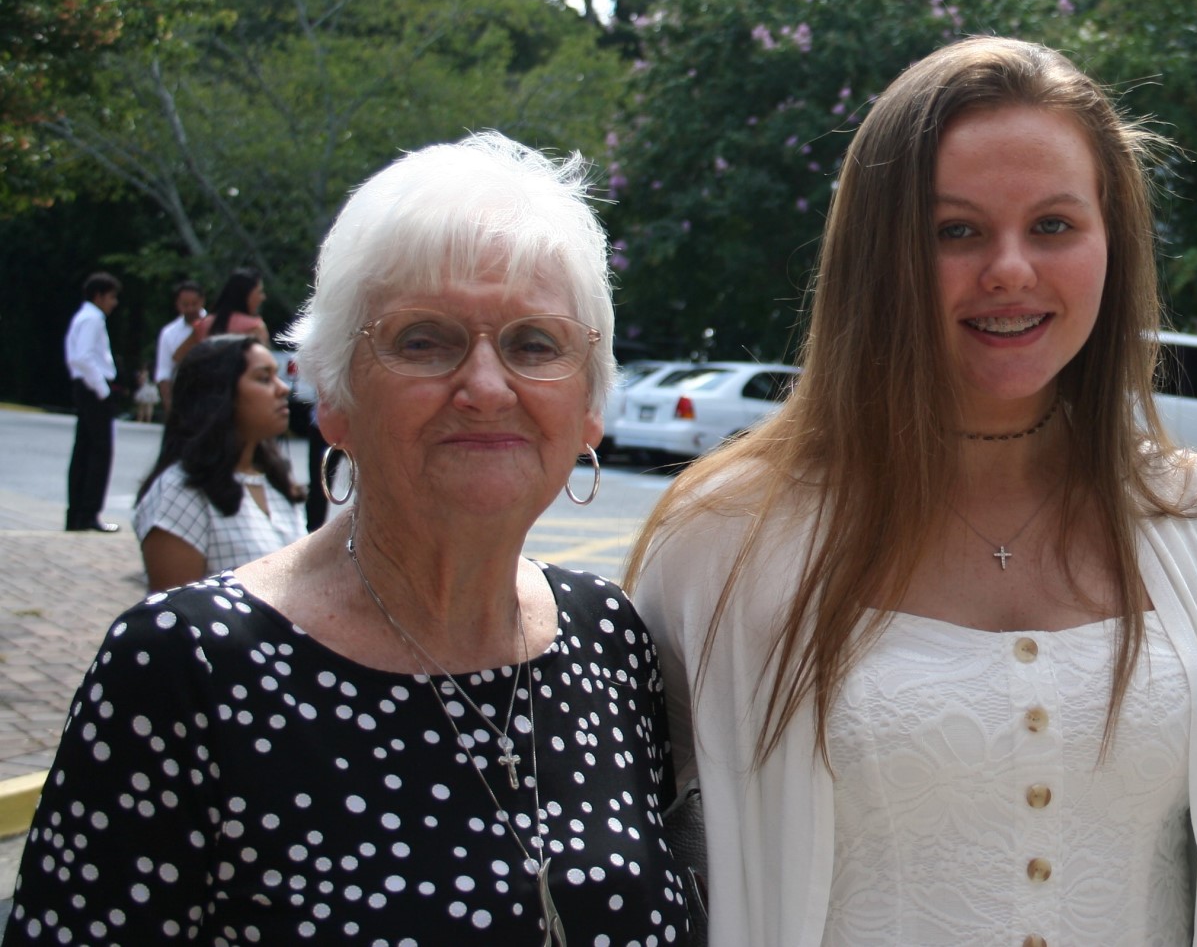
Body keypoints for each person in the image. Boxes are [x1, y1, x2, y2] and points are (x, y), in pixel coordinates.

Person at [628, 37, 1197, 947]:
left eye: (1054, 225)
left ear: (1112, 243)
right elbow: (631, 848)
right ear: (876, 254)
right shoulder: (726, 535)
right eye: (955, 231)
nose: (1011, 269)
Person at [9, 132, 691, 943]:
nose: (485, 385)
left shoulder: (610, 639)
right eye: (424, 339)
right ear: (334, 398)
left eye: (534, 343)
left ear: (588, 410)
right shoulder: (183, 668)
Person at [133, 334, 305, 590]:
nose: (283, 389)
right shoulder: (179, 493)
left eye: (277, 376)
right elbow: (176, 610)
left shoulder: (274, 480)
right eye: (263, 378)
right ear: (220, 394)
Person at [62, 270, 122, 532]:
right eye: (111, 297)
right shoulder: (93, 318)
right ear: (99, 296)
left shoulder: (83, 316)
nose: (114, 303)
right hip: (93, 389)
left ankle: (76, 514)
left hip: (84, 386)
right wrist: (103, 390)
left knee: (84, 450)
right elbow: (83, 357)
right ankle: (89, 513)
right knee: (100, 451)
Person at [172, 265, 271, 365]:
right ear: (247, 295)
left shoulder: (204, 325)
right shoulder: (254, 327)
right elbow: (263, 365)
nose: (262, 297)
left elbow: (178, 357)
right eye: (260, 292)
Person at [153, 278, 205, 413]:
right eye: (185, 304)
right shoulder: (169, 333)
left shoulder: (215, 325)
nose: (190, 309)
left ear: (202, 301)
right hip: (184, 397)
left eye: (194, 303)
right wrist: (169, 407)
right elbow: (164, 372)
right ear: (177, 304)